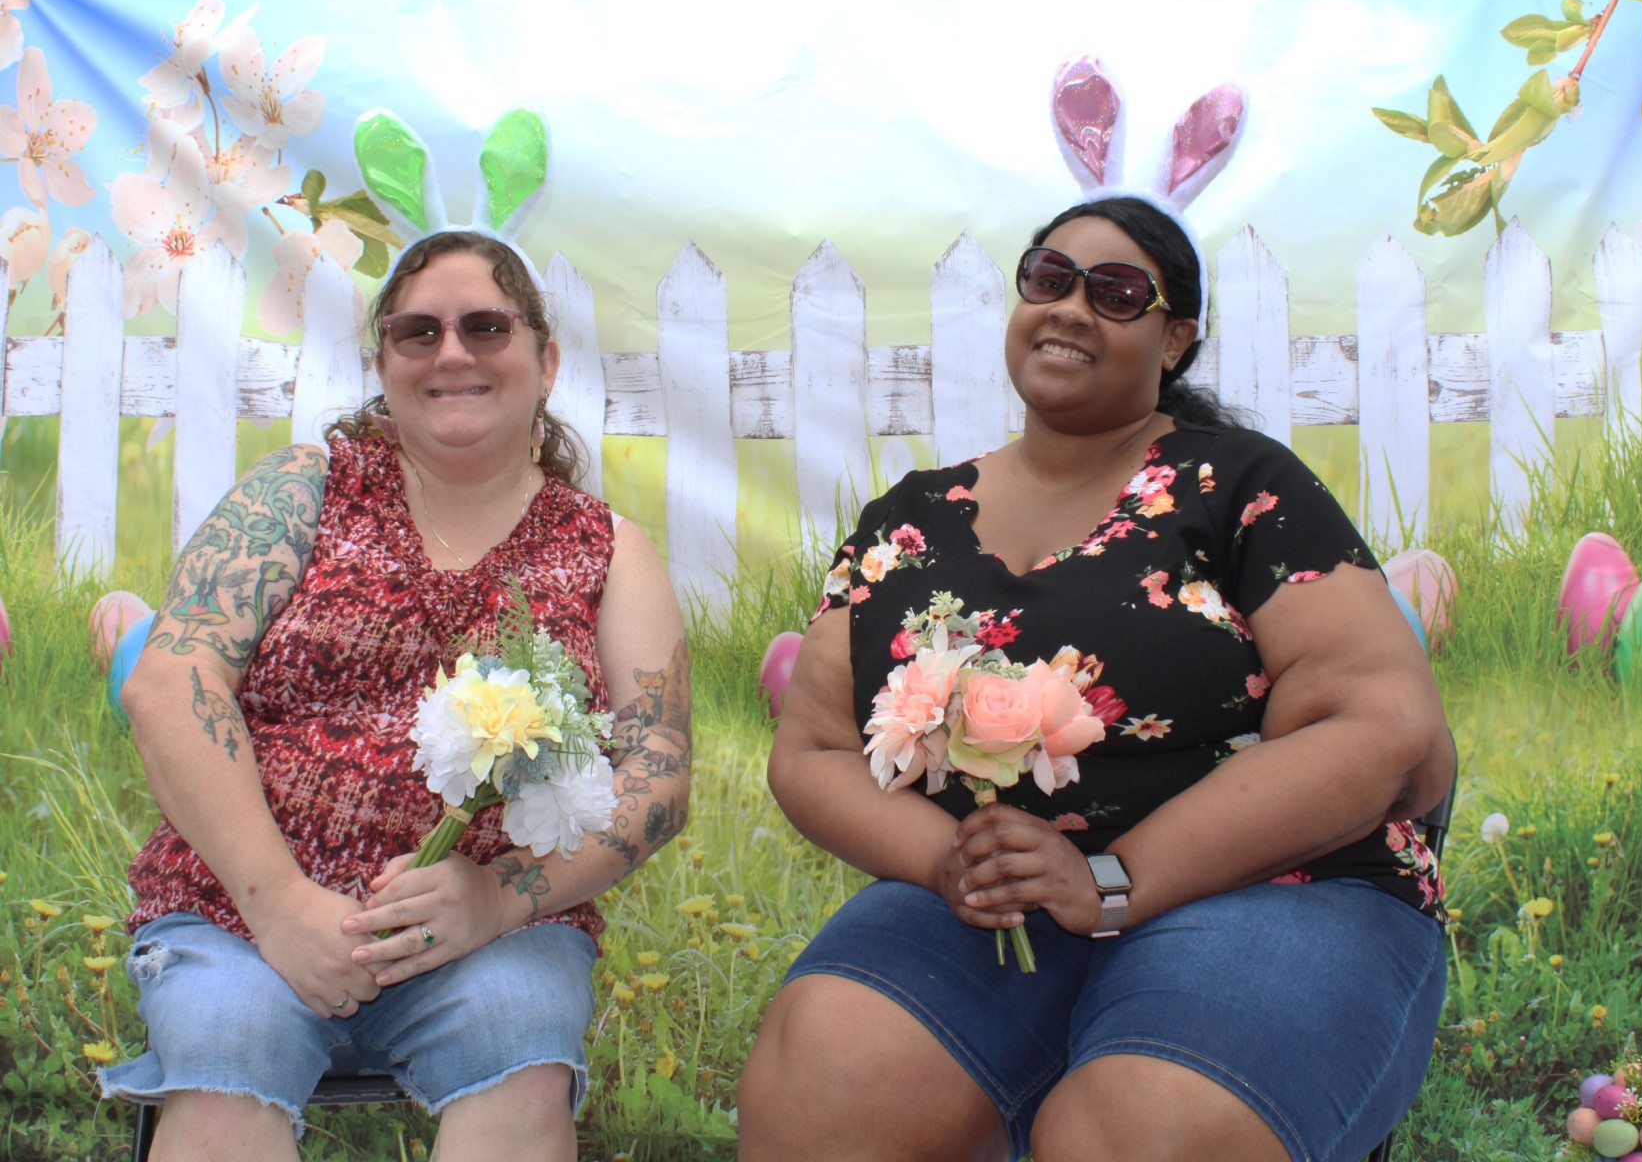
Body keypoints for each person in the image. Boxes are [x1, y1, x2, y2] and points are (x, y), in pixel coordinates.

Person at [737, 196, 1454, 1162]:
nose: (1071, 306)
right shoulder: (908, 520)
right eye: (1049, 278)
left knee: (1136, 1132)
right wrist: (950, 863)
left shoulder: (1240, 485)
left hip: (1276, 884)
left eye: (1116, 293)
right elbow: (815, 750)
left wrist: (1112, 880)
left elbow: (1384, 731)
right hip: (995, 901)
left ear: (1175, 339)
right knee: (822, 1084)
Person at [99, 230, 691, 1162]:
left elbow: (657, 778)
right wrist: (281, 905)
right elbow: (173, 682)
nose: (452, 353)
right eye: (418, 332)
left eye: (486, 327)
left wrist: (498, 899)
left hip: (494, 937)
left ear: (546, 362)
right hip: (237, 916)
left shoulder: (611, 551)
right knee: (225, 1063)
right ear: (383, 363)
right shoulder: (302, 490)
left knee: (520, 1054)